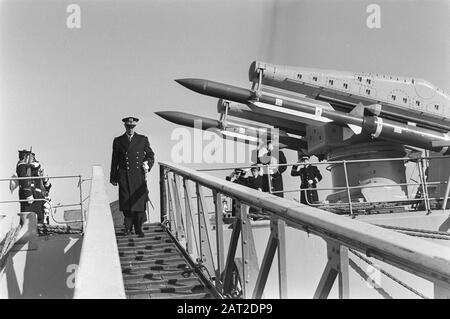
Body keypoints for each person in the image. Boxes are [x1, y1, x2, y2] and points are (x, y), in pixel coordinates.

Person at [110, 116, 155, 237]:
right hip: (124, 175)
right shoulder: (118, 141)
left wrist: (147, 164)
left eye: (132, 127)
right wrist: (113, 177)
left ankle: (138, 227)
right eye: (128, 126)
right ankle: (128, 227)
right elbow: (114, 160)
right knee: (126, 202)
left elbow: (150, 155)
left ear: (135, 127)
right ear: (125, 126)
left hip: (138, 175)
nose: (130, 129)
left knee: (139, 202)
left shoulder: (142, 139)